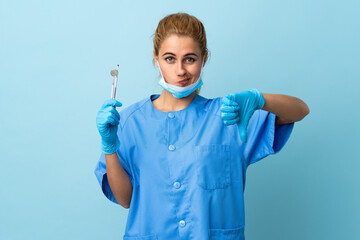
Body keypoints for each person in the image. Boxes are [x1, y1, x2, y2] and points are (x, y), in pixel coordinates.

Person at [94, 12, 309, 240]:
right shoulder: (130, 122)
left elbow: (300, 110)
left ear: (203, 59)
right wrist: (109, 147)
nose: (180, 71)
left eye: (190, 59)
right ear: (156, 59)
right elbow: (126, 200)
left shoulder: (229, 115)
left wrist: (260, 99)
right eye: (169, 58)